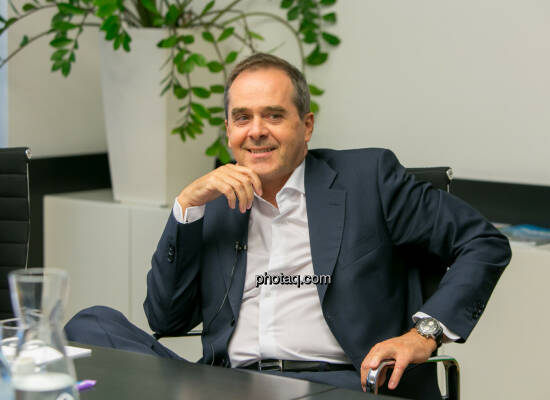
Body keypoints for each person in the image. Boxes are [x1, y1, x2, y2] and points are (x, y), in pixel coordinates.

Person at [66, 53, 511, 399]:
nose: (256, 131)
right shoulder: (216, 202)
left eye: (273, 115)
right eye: (243, 118)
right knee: (90, 325)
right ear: (228, 130)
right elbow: (166, 318)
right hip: (226, 385)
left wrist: (423, 335)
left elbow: (483, 241)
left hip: (339, 384)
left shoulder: (368, 179)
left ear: (307, 125)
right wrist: (186, 208)